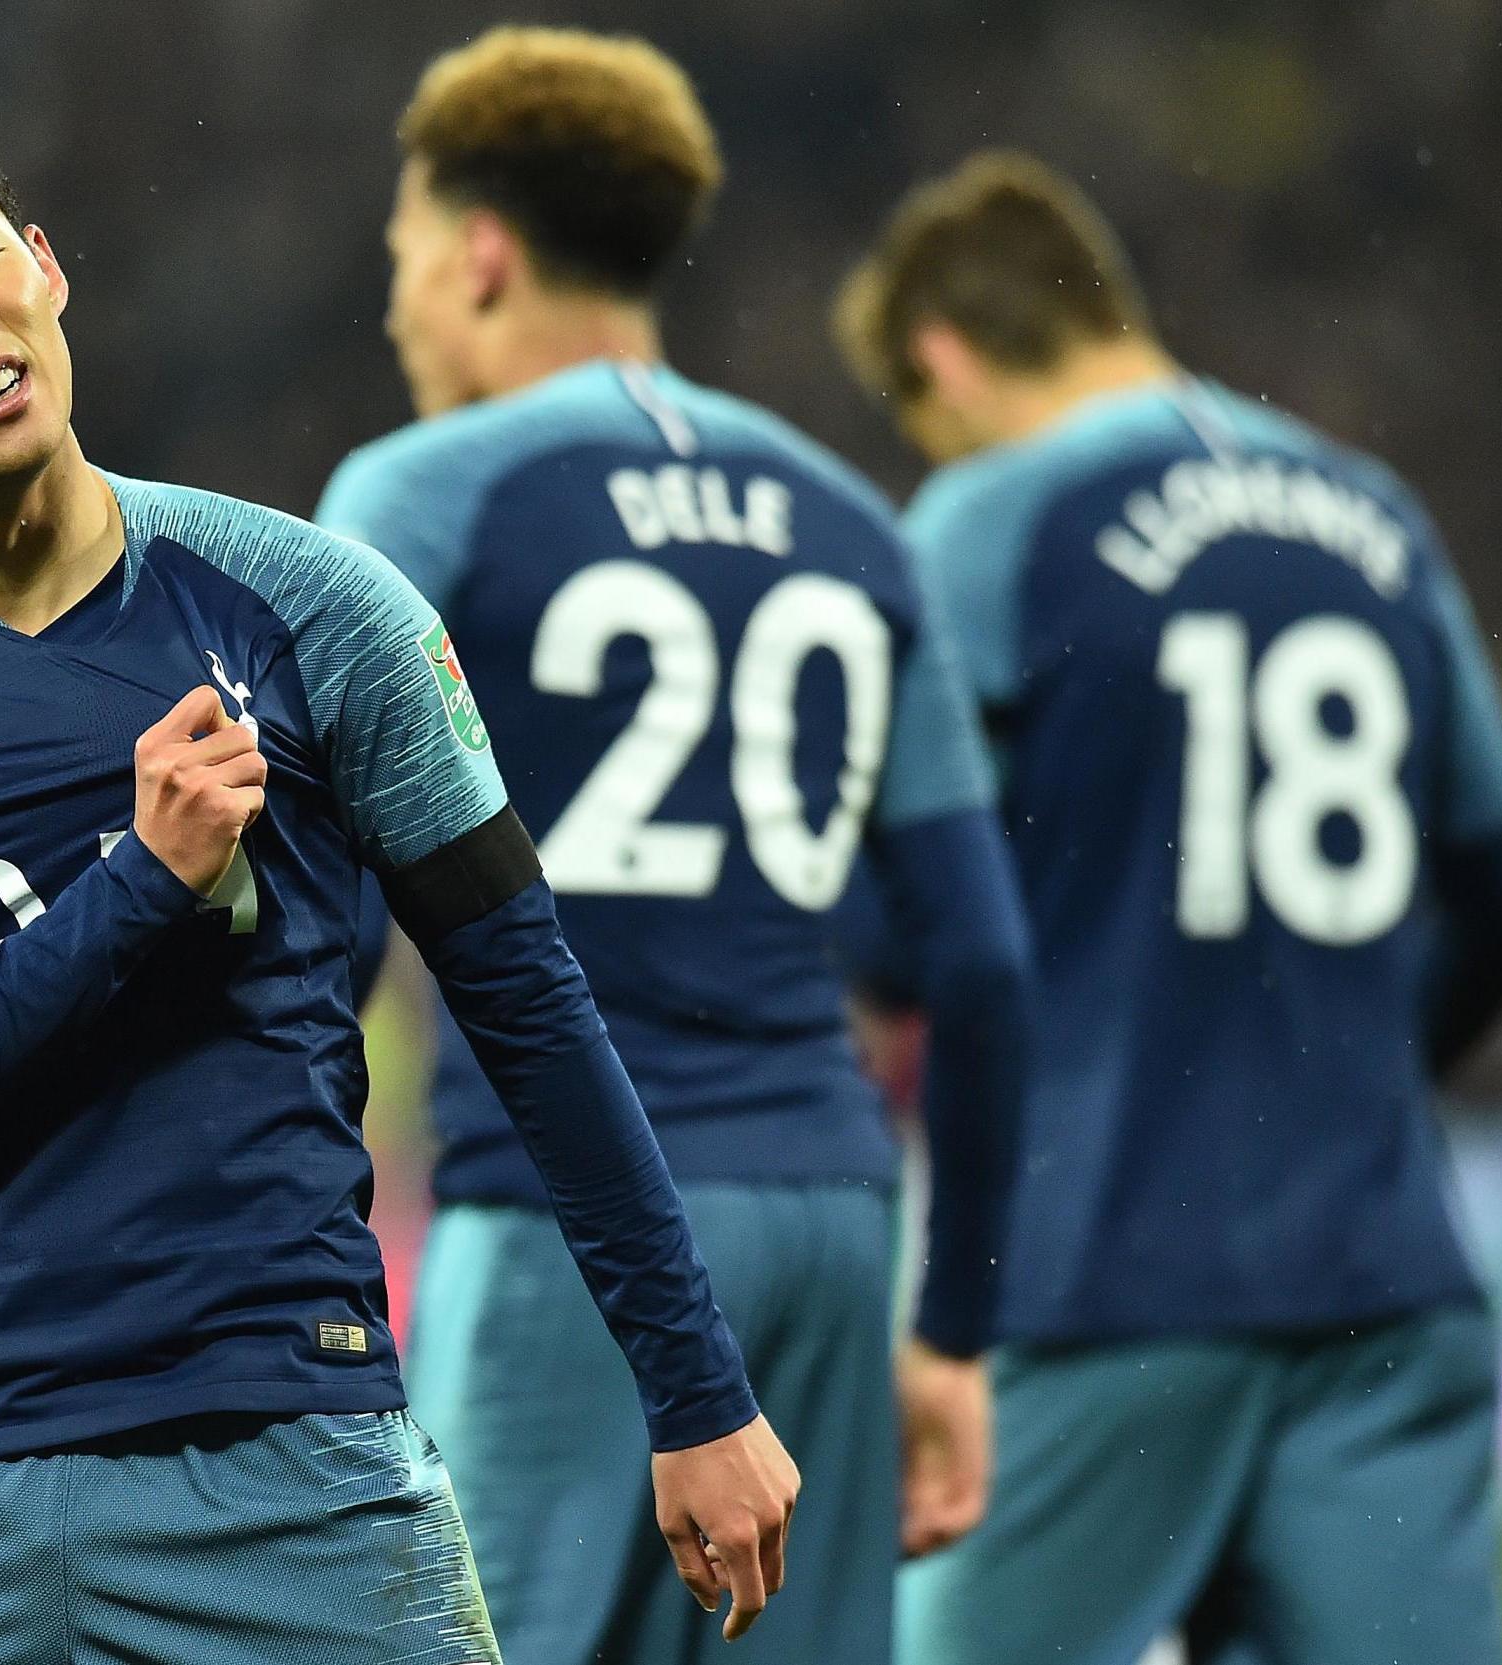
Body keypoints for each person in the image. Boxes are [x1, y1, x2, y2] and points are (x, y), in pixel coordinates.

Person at [0, 71, 797, 1665]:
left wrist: (700, 1391)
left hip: (296, 1477)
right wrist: (141, 880)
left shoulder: (322, 603)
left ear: (48, 265)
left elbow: (529, 1004)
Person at [316, 30, 1031, 1665]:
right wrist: (957, 1332)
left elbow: (330, 924)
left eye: (408, 258)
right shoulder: (852, 519)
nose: (397, 304)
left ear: (483, 256)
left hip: (571, 1229)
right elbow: (981, 959)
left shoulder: (421, 496)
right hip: (836, 1219)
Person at [834, 150, 1502, 1665]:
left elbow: (898, 926)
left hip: (1106, 1268)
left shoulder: (990, 522)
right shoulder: (1379, 515)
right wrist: (1349, 1070)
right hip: (1380, 1280)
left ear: (943, 359)